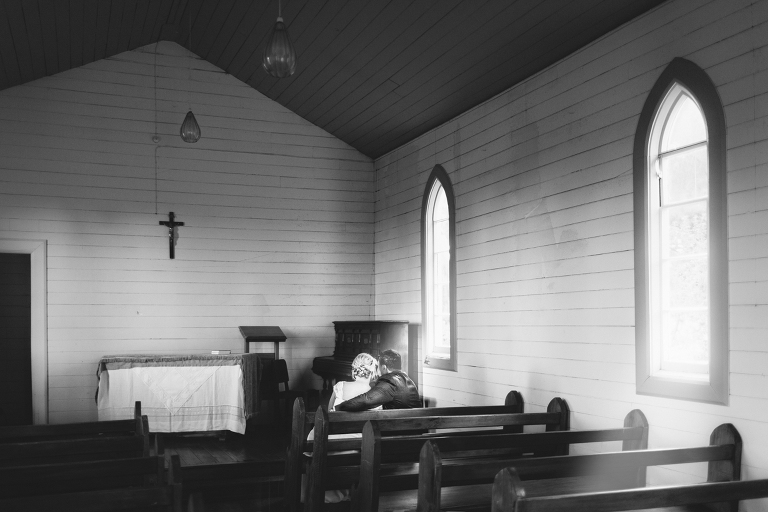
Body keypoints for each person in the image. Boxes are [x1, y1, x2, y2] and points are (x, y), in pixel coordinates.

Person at [334, 349, 421, 411]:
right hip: (412, 426)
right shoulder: (406, 378)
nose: (377, 371)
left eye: (378, 367)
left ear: (384, 368)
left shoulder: (390, 381)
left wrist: (338, 408)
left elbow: (366, 400)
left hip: (402, 431)